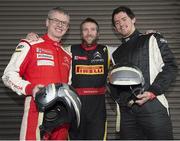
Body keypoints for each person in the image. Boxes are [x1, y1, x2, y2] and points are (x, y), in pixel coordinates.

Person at [26, 17, 110, 140]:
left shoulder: (107, 50)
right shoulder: (68, 50)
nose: (89, 33)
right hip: (74, 104)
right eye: (85, 30)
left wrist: (145, 36)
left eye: (92, 29)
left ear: (98, 33)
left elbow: (127, 50)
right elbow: (50, 47)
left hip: (97, 108)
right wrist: (34, 38)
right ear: (81, 33)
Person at [2, 7, 71, 140]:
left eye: (65, 23)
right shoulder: (30, 44)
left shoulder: (67, 55)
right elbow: (8, 74)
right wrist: (30, 88)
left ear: (67, 28)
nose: (60, 25)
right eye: (56, 20)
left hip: (62, 119)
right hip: (36, 113)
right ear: (47, 22)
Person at [109, 6, 178, 139]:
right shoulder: (116, 54)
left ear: (133, 19)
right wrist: (123, 101)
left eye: (124, 19)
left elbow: (171, 66)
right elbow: (114, 83)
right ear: (115, 29)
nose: (121, 24)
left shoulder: (152, 38)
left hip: (153, 107)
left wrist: (152, 92)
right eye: (117, 23)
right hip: (128, 114)